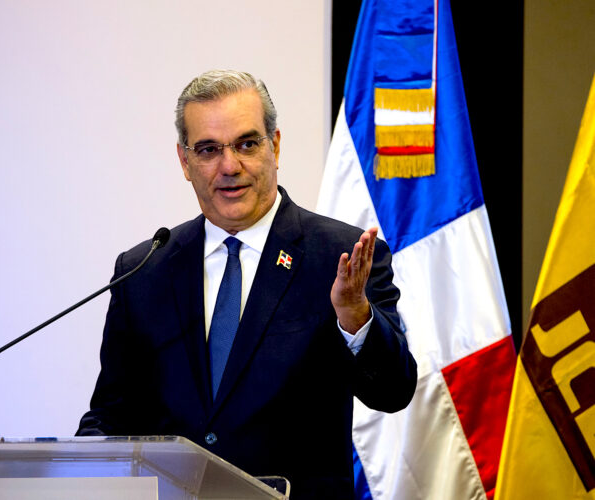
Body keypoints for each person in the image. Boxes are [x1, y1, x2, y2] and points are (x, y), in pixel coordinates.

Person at [77, 69, 417, 499]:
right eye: (208, 149)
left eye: (247, 144)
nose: (229, 166)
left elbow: (392, 392)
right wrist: (75, 466)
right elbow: (112, 413)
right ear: (185, 162)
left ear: (274, 146)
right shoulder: (144, 268)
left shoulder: (342, 256)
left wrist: (355, 317)